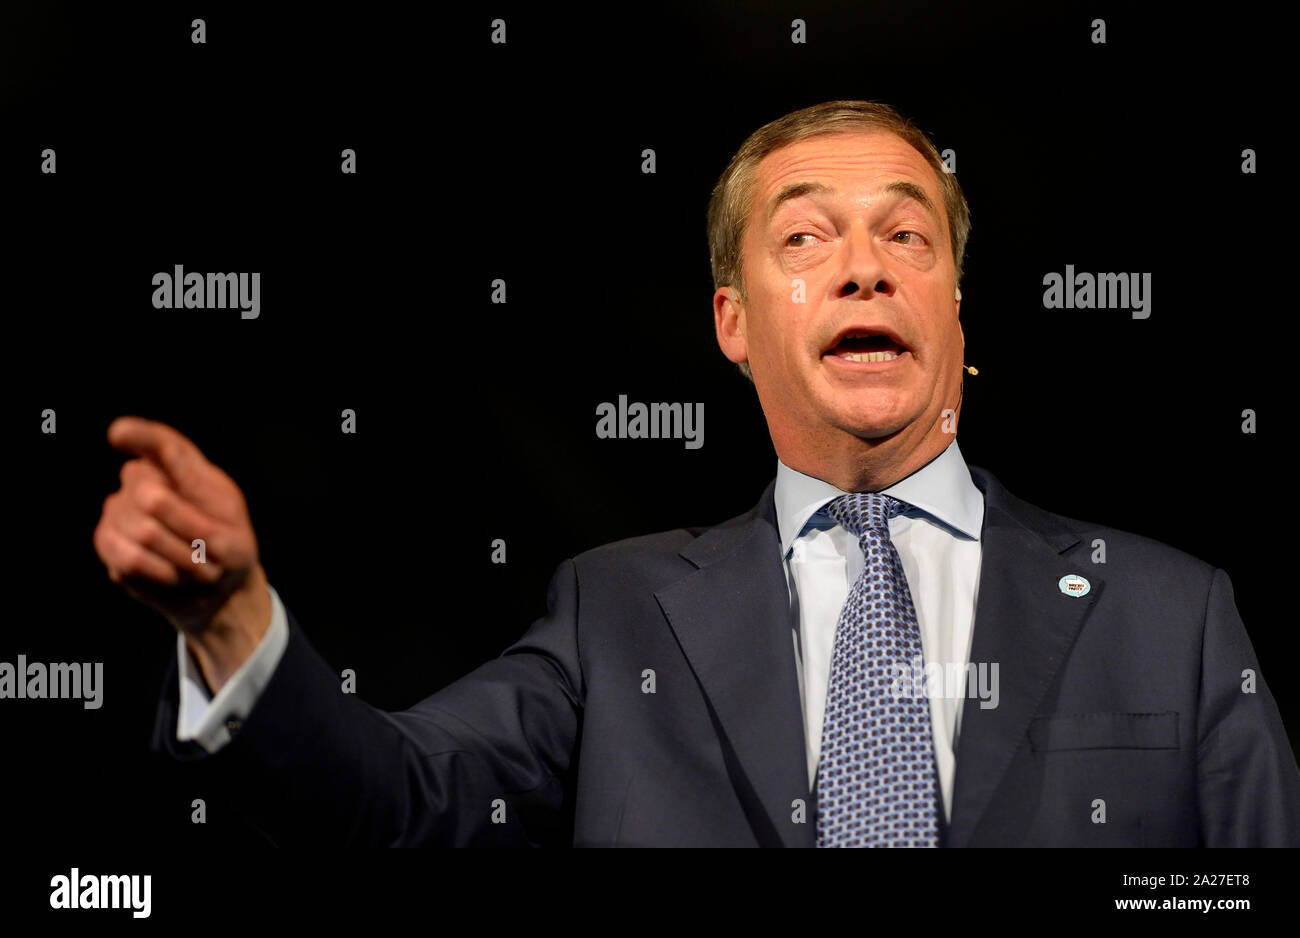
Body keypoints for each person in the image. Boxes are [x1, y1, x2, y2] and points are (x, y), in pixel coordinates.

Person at [93, 100, 1300, 846]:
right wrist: (235, 622)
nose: (866, 268)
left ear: (956, 310)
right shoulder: (613, 612)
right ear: (732, 321)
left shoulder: (1172, 612)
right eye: (805, 236)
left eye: (907, 235)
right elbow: (396, 802)